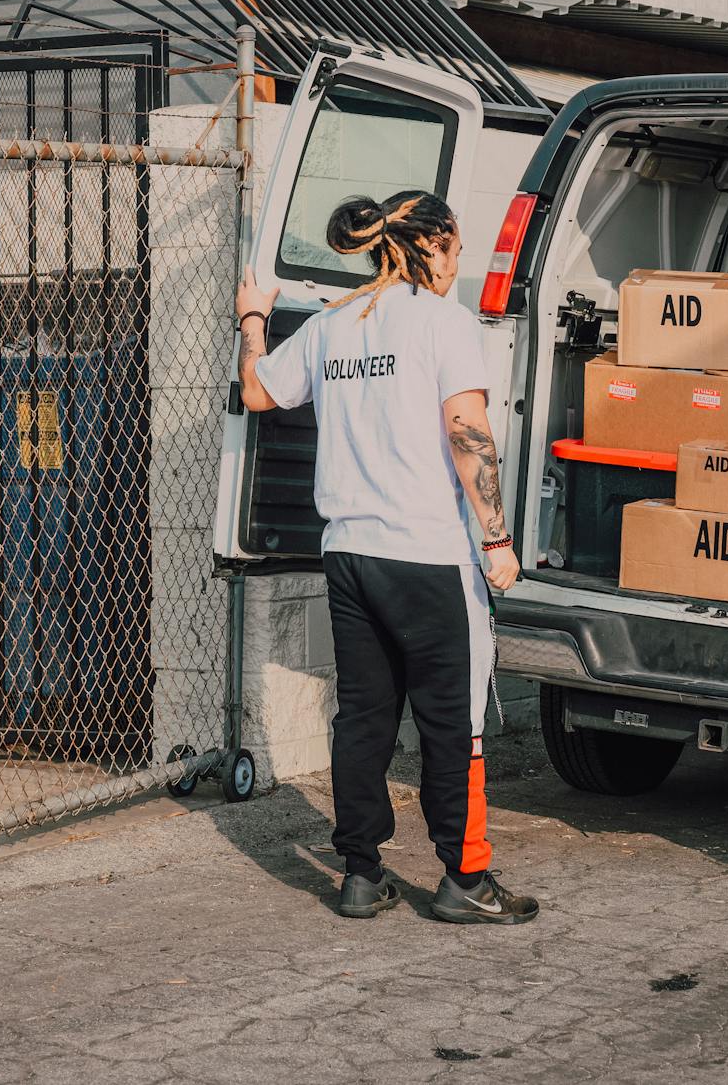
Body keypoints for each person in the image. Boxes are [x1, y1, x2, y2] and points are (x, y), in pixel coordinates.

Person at [234, 189, 538, 925]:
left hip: (349, 556)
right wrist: (496, 541)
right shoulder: (445, 325)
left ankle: (362, 874)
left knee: (363, 717)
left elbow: (255, 389)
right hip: (429, 556)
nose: (458, 264)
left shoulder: (331, 326)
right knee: (451, 721)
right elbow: (470, 435)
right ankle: (465, 878)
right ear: (430, 246)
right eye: (457, 249)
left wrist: (252, 315)